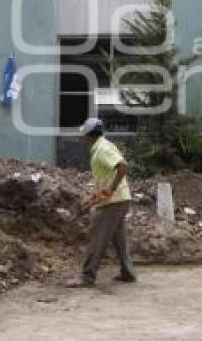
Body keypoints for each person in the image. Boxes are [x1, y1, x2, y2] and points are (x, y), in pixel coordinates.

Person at [65, 118, 136, 288]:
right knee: (119, 238)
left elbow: (123, 166)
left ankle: (87, 277)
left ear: (89, 135)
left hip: (114, 201)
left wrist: (111, 190)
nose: (83, 138)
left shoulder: (102, 149)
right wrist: (91, 199)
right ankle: (128, 272)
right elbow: (106, 178)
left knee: (97, 237)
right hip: (120, 199)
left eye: (84, 134)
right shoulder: (104, 146)